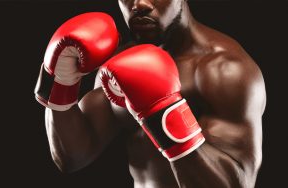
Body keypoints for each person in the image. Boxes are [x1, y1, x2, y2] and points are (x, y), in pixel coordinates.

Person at [34, 0, 266, 187]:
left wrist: (164, 113)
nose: (140, 4)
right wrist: (60, 82)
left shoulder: (224, 70)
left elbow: (238, 184)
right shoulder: (120, 65)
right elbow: (71, 157)